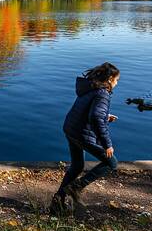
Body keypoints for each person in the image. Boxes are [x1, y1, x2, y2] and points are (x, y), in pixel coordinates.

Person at [50, 62, 120, 214]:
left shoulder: (90, 88)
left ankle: (57, 202)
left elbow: (90, 112)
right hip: (81, 133)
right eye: (116, 80)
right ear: (109, 79)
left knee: (77, 166)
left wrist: (105, 117)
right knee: (111, 162)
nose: (116, 83)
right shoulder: (103, 93)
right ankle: (76, 187)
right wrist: (107, 143)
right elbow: (95, 117)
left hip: (71, 129)